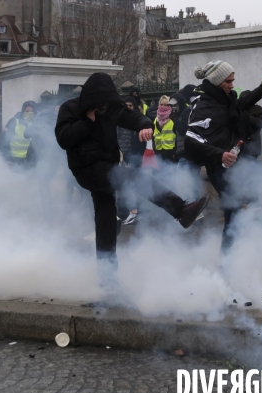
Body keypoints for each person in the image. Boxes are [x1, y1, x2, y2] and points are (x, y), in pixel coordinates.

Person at [55, 72, 209, 288]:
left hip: (107, 166)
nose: (103, 106)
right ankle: (180, 211)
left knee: (106, 222)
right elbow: (63, 138)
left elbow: (133, 117)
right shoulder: (71, 109)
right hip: (86, 169)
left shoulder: (110, 107)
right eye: (99, 102)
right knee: (134, 178)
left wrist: (146, 125)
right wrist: (87, 122)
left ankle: (107, 278)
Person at [185, 60, 262, 254]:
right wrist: (220, 154)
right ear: (217, 81)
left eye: (233, 80)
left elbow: (244, 102)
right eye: (228, 81)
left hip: (236, 163)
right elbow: (191, 142)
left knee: (243, 206)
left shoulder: (225, 100)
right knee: (234, 208)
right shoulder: (204, 106)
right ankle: (228, 258)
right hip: (218, 167)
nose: (232, 85)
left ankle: (235, 253)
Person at [116, 96, 146, 225]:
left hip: (135, 158)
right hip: (124, 158)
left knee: (136, 185)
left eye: (130, 106)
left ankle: (137, 212)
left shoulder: (138, 121)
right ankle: (124, 213)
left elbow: (142, 142)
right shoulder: (120, 121)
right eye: (126, 106)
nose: (128, 108)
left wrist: (137, 157)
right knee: (123, 187)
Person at [3, 101, 39, 167]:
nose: (29, 113)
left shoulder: (36, 124)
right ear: (23, 112)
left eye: (31, 111)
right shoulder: (14, 122)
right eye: (26, 111)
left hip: (28, 162)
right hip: (12, 161)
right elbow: (5, 141)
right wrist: (7, 159)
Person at [239, 90, 262, 160]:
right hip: (239, 146)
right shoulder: (238, 109)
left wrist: (248, 118)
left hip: (253, 146)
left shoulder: (257, 109)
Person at [153, 95, 178, 164]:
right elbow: (154, 134)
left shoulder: (173, 117)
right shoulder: (156, 119)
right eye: (161, 104)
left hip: (170, 150)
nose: (163, 106)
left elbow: (177, 135)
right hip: (159, 149)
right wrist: (154, 149)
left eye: (166, 105)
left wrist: (175, 151)